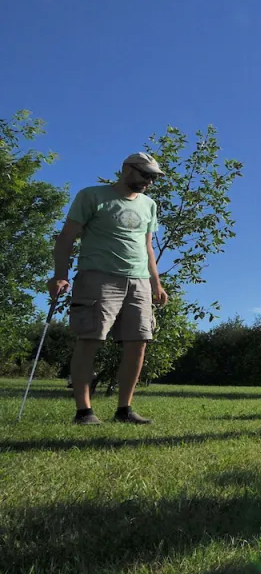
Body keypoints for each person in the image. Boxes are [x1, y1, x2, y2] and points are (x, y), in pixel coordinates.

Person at [48, 152, 170, 425]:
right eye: (144, 174)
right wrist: (60, 275)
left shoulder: (149, 205)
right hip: (98, 278)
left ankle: (124, 410)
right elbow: (67, 237)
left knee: (138, 342)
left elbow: (147, 246)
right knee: (90, 339)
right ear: (127, 169)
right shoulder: (91, 196)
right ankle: (84, 411)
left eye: (153, 177)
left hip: (138, 281)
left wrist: (156, 283)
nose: (149, 182)